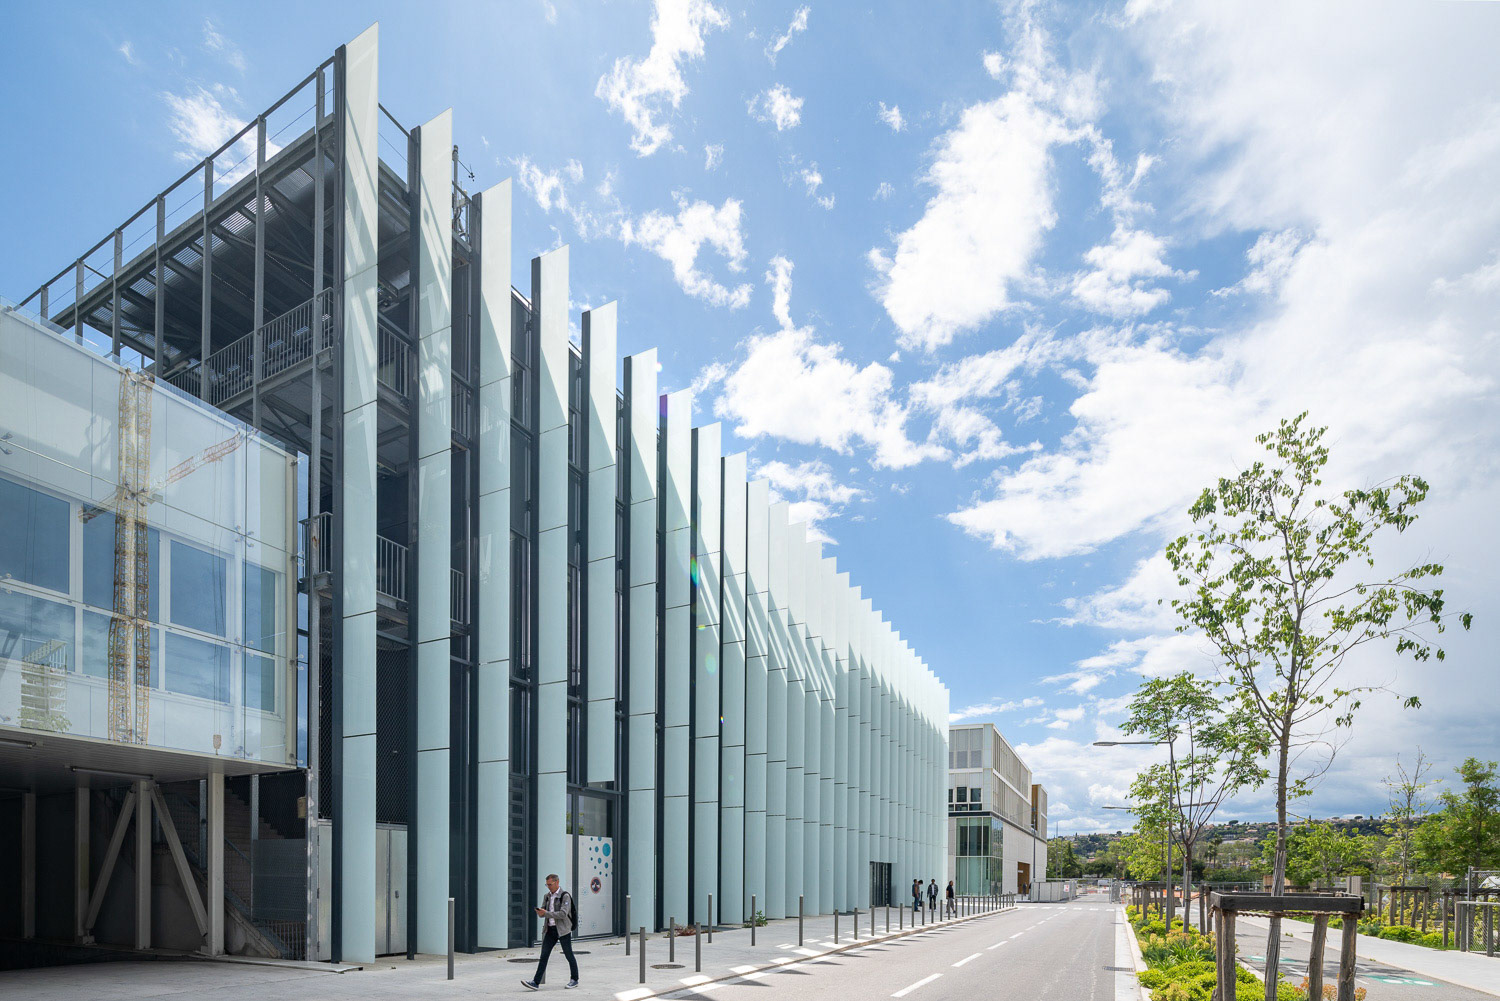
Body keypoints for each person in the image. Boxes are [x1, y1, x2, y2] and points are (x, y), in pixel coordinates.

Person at [521, 873, 579, 991]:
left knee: (569, 955)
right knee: (544, 956)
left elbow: (563, 914)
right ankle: (535, 982)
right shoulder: (547, 896)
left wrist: (546, 913)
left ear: (557, 882)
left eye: (550, 884)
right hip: (550, 930)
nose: (548, 887)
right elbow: (544, 913)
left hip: (563, 930)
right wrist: (541, 912)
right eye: (547, 885)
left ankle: (574, 979)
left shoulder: (565, 896)